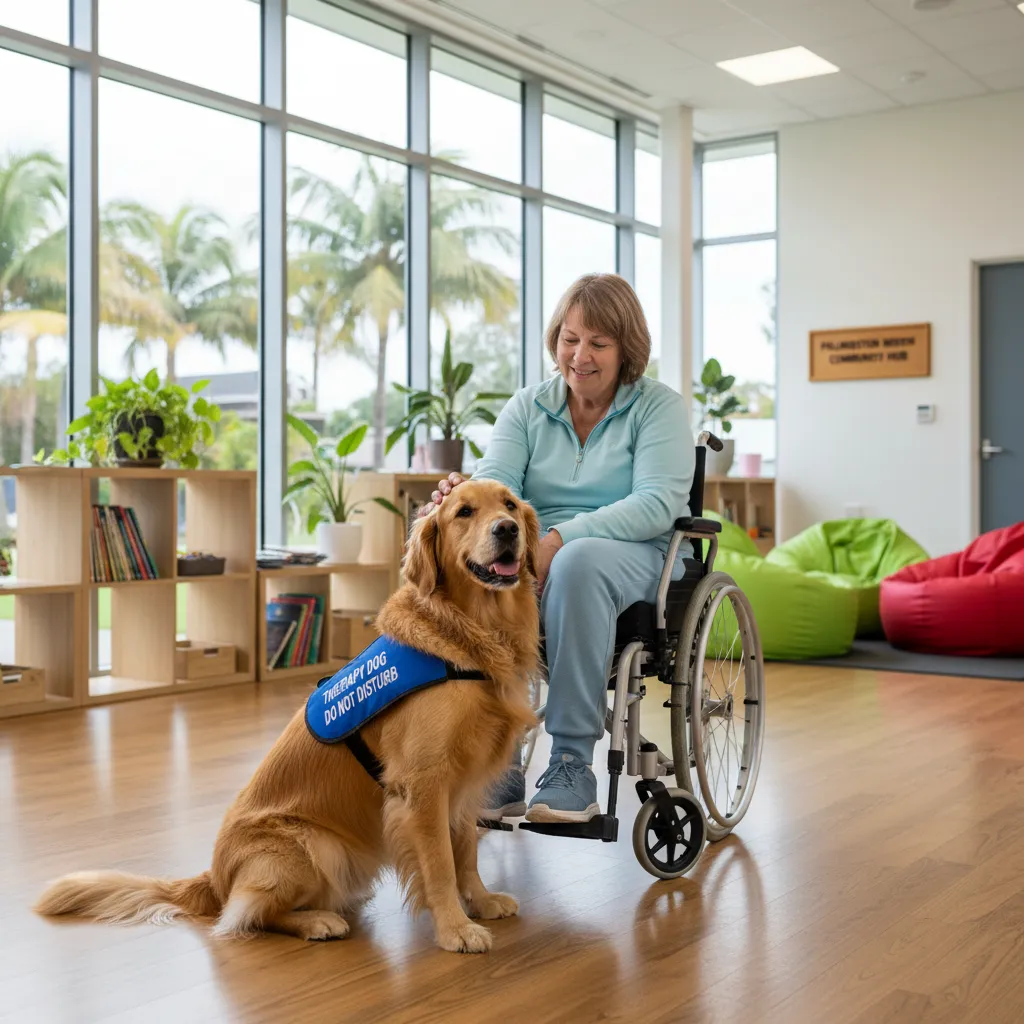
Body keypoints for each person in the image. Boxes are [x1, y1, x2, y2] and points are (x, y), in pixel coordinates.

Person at [425, 273, 695, 823]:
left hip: (641, 556)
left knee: (576, 561)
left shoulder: (657, 408)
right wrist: (464, 500)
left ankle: (571, 761)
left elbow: (657, 503)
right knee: (467, 566)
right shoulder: (527, 408)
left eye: (599, 343)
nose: (581, 356)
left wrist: (559, 537)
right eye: (570, 339)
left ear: (627, 349)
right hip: (538, 556)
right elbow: (497, 483)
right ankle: (497, 761)